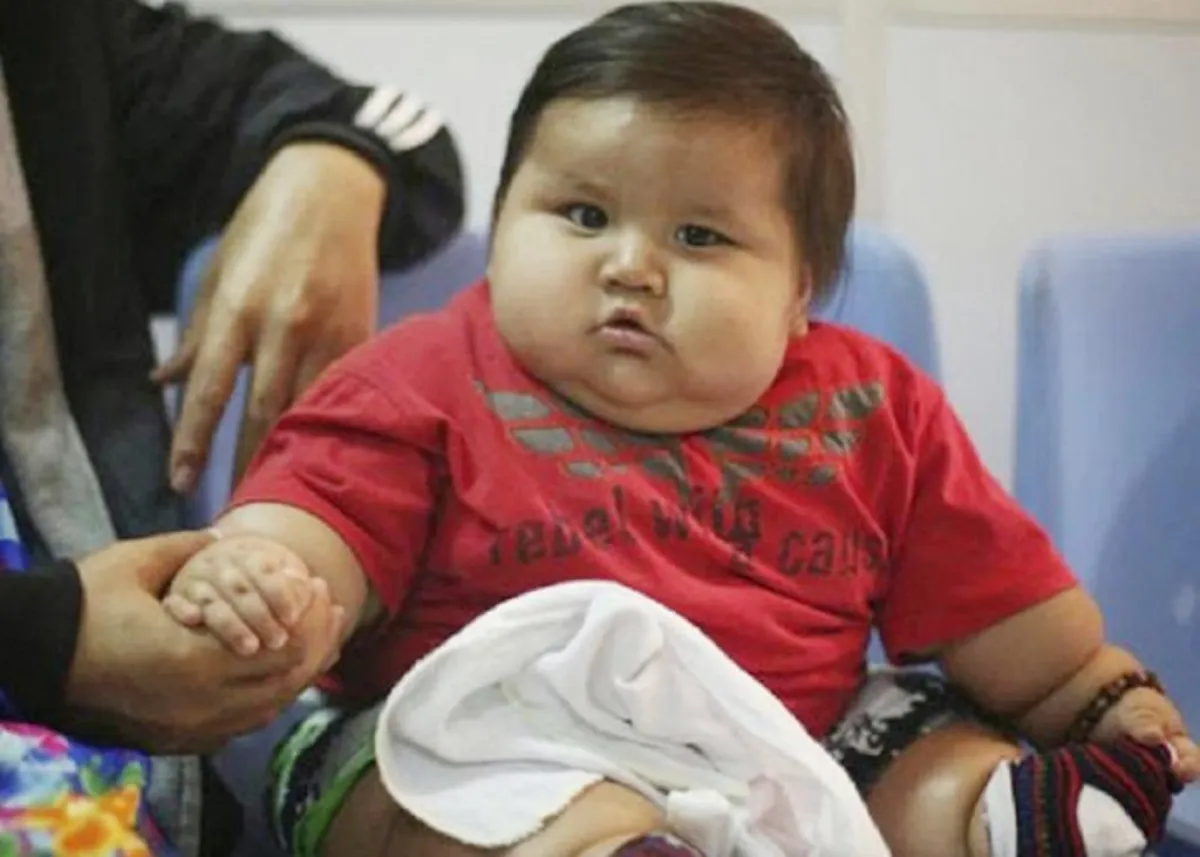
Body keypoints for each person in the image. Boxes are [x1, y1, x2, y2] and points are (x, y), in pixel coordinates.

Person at [162, 3, 1196, 856]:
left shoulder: (871, 409)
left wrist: (1095, 694)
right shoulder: (418, 381)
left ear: (799, 291)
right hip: (483, 732)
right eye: (582, 215)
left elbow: (1003, 614)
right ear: (506, 220)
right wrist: (265, 572)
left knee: (927, 742)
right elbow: (320, 522)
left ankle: (1000, 822)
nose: (631, 266)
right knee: (408, 795)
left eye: (698, 235)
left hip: (793, 739)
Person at [0, 0, 462, 852]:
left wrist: (331, 162)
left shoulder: (58, 43)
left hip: (131, 782)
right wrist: (49, 637)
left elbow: (398, 128)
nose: (631, 271)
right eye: (584, 217)